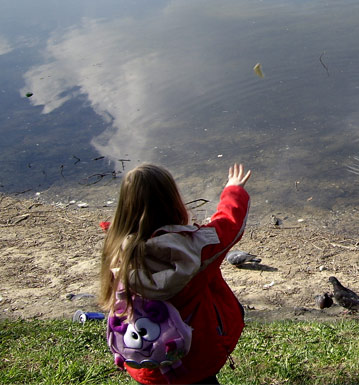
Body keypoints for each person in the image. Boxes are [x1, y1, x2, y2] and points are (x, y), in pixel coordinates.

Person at [99, 163, 252, 385]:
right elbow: (229, 224)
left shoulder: (116, 249)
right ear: (174, 202)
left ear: (124, 207)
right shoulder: (194, 250)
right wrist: (233, 190)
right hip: (194, 359)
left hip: (145, 357)